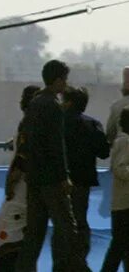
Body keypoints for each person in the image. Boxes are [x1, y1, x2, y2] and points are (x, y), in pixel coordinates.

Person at [16, 59, 91, 272]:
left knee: (34, 233)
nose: (65, 85)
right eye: (64, 80)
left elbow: (28, 141)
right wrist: (64, 176)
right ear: (57, 80)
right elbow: (57, 146)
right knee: (68, 229)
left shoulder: (34, 104)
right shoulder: (54, 106)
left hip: (34, 178)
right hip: (52, 179)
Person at [64, 87, 109, 260]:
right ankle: (80, 259)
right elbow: (104, 152)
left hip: (58, 179)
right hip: (82, 180)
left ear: (69, 102)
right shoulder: (92, 124)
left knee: (62, 222)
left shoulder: (57, 122)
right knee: (80, 220)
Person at [102, 107, 129, 272]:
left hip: (121, 203)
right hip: (125, 204)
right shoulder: (125, 142)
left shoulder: (121, 141)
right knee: (118, 246)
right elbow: (120, 169)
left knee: (120, 245)